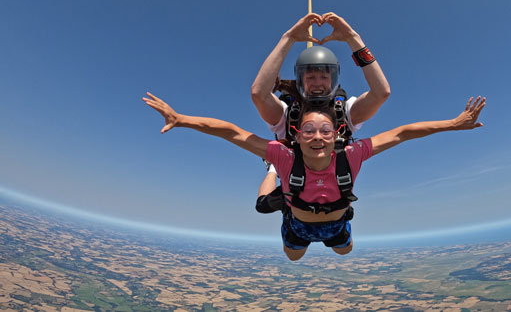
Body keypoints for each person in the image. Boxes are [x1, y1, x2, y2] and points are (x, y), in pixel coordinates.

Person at [143, 92, 486, 261]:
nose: (318, 137)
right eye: (309, 130)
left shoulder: (352, 154)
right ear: (296, 134)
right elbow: (231, 132)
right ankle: (271, 175)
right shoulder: (283, 153)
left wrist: (453, 125)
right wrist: (181, 118)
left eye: (325, 130)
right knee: (283, 237)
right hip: (297, 224)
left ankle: (292, 197)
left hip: (336, 224)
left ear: (337, 133)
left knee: (344, 252)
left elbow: (403, 133)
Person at [251, 12, 391, 206]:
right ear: (300, 80)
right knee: (265, 206)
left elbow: (381, 92)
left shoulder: (345, 112)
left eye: (324, 77)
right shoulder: (286, 115)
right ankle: (273, 169)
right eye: (310, 77)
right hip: (294, 192)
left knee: (341, 232)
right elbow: (259, 94)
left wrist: (353, 39)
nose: (317, 83)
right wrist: (288, 39)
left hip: (334, 195)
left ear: (334, 79)